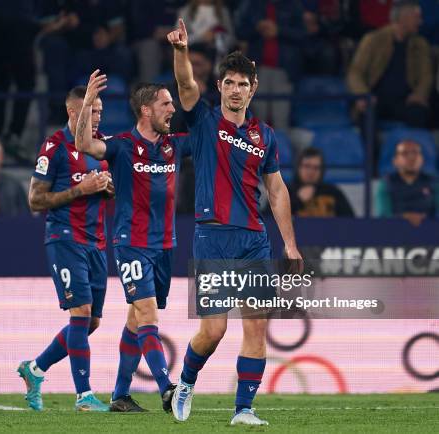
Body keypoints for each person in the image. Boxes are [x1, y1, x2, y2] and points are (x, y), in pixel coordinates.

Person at [167, 19, 303, 425]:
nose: (236, 89)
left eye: (244, 83)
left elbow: (277, 191)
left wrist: (291, 245)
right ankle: (186, 382)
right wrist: (180, 52)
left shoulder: (266, 136)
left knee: (257, 330)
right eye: (229, 82)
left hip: (254, 241)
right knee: (213, 332)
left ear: (253, 88)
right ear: (220, 87)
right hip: (212, 238)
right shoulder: (205, 121)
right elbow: (186, 85)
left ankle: (244, 409)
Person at [76, 72, 191, 412]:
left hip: (164, 245)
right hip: (131, 244)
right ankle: (167, 389)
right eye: (166, 104)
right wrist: (86, 104)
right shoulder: (122, 145)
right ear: (146, 110)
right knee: (147, 315)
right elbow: (85, 145)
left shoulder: (175, 145)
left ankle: (120, 396)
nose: (172, 109)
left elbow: (211, 137)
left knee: (135, 319)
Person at [17, 85, 113, 412]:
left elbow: (106, 187)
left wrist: (106, 188)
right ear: (74, 112)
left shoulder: (100, 149)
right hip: (65, 237)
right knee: (81, 314)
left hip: (97, 242)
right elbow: (35, 200)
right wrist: (80, 189)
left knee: (91, 322)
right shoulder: (53, 147)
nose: (97, 117)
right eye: (91, 110)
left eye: (100, 110)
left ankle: (35, 369)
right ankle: (84, 396)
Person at [347, 0, 432, 129]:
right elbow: (355, 72)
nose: (420, 22)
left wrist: (420, 94)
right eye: (416, 18)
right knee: (366, 115)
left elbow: (426, 76)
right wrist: (363, 94)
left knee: (419, 113)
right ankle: (370, 149)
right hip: (375, 99)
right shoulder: (373, 40)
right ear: (403, 18)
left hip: (405, 101)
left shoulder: (421, 44)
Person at [0, 0, 41, 154]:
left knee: (7, 81)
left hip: (5, 18)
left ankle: (1, 134)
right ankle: (4, 134)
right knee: (10, 80)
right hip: (9, 19)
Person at [236, 0, 305, 130]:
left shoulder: (293, 5)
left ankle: (281, 149)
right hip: (257, 70)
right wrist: (257, 28)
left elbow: (302, 34)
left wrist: (279, 31)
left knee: (280, 120)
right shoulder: (252, 5)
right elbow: (240, 32)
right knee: (258, 121)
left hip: (283, 70)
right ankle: (259, 149)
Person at [375, 140, 439, 225]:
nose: (411, 157)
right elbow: (383, 215)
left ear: (422, 159)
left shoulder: (434, 182)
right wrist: (403, 217)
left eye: (415, 153)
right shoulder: (386, 183)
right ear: (395, 161)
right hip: (395, 233)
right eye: (405, 153)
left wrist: (425, 219)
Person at [289, 147, 355, 217]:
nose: (311, 172)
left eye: (316, 168)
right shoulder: (287, 191)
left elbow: (350, 221)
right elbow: (279, 220)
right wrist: (297, 200)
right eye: (307, 166)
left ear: (322, 171)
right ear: (298, 167)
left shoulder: (333, 192)